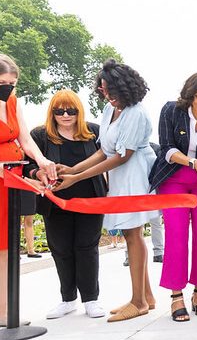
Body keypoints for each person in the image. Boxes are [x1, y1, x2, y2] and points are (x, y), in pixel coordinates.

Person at [55, 59, 158, 322]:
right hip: (119, 174)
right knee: (130, 233)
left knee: (133, 234)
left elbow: (123, 156)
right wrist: (72, 170)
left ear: (124, 87)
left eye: (110, 90)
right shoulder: (108, 109)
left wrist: (77, 178)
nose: (106, 95)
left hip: (133, 173)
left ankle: (139, 301)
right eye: (102, 90)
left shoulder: (136, 112)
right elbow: (103, 151)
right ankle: (146, 296)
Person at [0, 53, 56, 339]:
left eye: (13, 82)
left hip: (7, 182)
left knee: (2, 249)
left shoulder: (12, 102)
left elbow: (26, 139)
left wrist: (41, 160)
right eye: (3, 82)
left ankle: (3, 312)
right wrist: (18, 179)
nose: (8, 87)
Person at [148, 72, 197, 322]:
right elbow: (167, 149)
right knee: (177, 235)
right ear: (189, 95)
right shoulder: (171, 111)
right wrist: (194, 163)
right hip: (173, 178)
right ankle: (176, 296)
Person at [24, 89, 108, 319]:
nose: (65, 115)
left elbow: (108, 157)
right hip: (55, 201)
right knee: (60, 248)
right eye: (59, 111)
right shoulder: (40, 135)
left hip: (89, 199)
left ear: (79, 112)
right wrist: (37, 172)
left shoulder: (94, 132)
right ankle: (68, 299)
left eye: (71, 110)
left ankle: (91, 299)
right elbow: (26, 164)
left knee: (86, 247)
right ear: (52, 113)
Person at [20, 192, 41, 258]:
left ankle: (31, 250)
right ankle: (15, 251)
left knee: (29, 221)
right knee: (16, 221)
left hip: (29, 188)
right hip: (15, 187)